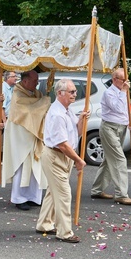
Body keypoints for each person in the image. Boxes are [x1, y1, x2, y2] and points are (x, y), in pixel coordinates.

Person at [35, 78, 89, 243]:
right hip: (55, 156)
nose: (75, 94)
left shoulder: (67, 110)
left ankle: (44, 224)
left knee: (53, 192)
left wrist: (81, 119)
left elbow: (76, 133)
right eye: (71, 92)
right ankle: (64, 232)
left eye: (75, 91)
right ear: (60, 93)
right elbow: (62, 144)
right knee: (64, 194)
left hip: (63, 157)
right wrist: (79, 160)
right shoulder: (58, 114)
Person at [2, 70, 50, 211]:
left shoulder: (35, 93)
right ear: (25, 81)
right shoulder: (18, 94)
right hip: (21, 138)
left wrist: (44, 102)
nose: (37, 83)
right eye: (34, 81)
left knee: (36, 166)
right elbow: (29, 111)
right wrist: (45, 102)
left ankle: (33, 197)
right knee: (22, 168)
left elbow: (39, 107)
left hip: (33, 136)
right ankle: (19, 198)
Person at [90, 68, 131, 205]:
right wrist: (123, 91)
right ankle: (121, 194)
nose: (126, 83)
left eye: (126, 80)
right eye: (123, 80)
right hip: (109, 128)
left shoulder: (124, 92)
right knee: (119, 159)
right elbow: (116, 107)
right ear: (115, 79)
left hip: (121, 128)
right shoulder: (109, 93)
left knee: (108, 160)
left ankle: (97, 190)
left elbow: (125, 110)